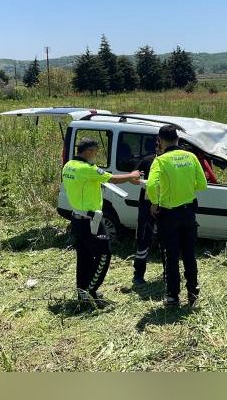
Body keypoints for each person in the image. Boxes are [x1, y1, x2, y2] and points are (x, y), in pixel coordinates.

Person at [62, 137, 140, 304]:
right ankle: (89, 294)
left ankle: (83, 292)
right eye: (95, 152)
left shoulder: (69, 165)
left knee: (84, 257)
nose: (95, 156)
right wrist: (132, 175)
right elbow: (112, 178)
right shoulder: (87, 169)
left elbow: (83, 184)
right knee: (104, 254)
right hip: (91, 221)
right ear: (88, 151)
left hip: (77, 218)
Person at [146, 125, 208, 307]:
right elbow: (202, 184)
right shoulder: (191, 156)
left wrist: (154, 202)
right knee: (189, 255)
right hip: (189, 212)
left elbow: (151, 185)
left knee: (171, 256)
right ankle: (193, 295)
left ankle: (173, 296)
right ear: (177, 139)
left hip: (169, 215)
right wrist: (186, 189)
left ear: (160, 140)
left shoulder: (161, 161)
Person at [133, 136, 162, 285]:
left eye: (160, 144)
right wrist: (142, 181)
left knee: (166, 240)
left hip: (165, 205)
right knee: (143, 239)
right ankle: (138, 275)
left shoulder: (169, 163)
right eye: (156, 145)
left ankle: (167, 273)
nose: (158, 147)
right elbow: (134, 177)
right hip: (146, 205)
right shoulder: (147, 161)